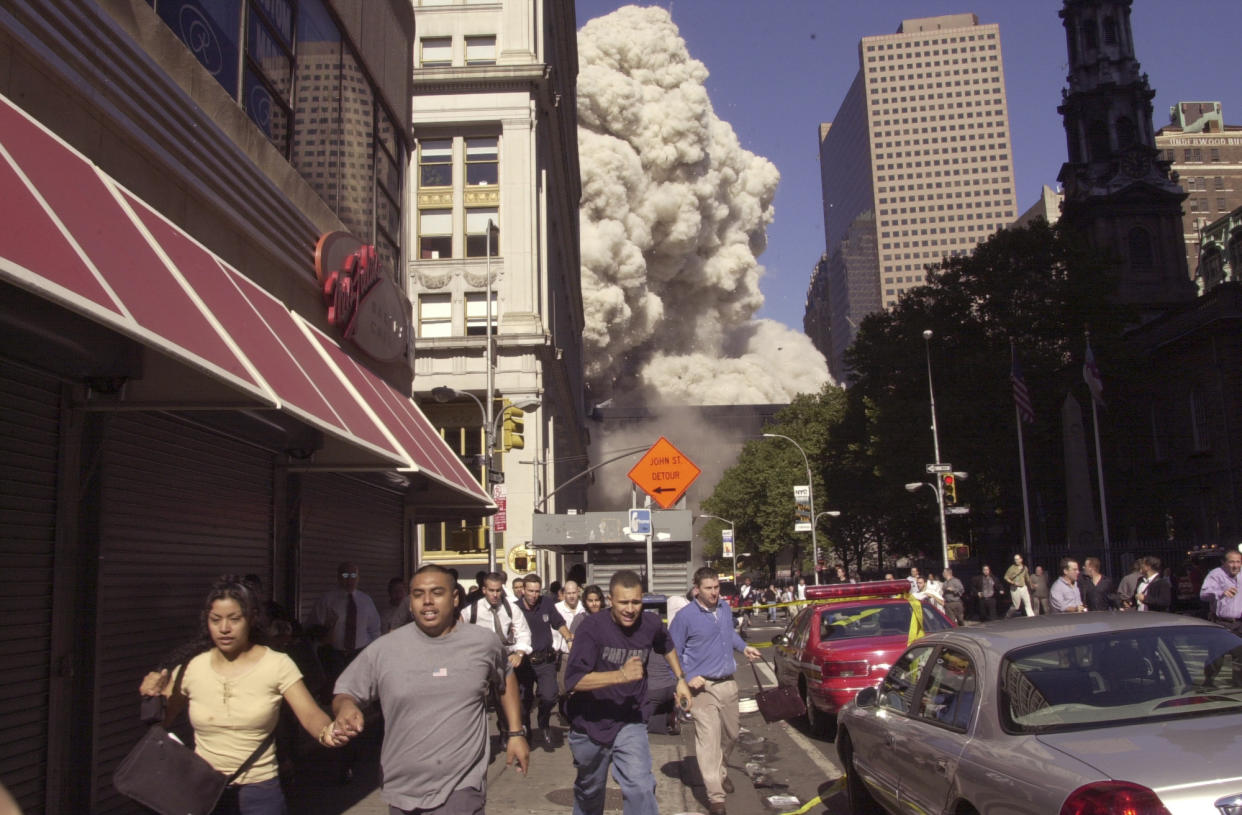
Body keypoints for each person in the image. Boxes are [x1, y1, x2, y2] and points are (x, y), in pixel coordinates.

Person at [329, 565, 529, 814]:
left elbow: (506, 677)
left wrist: (515, 733)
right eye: (417, 594)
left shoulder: (483, 642)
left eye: (437, 592)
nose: (427, 602)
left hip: (461, 786)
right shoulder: (385, 649)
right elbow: (345, 692)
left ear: (455, 598)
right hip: (401, 787)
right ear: (409, 601)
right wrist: (346, 706)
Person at [139, 577, 345, 814]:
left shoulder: (276, 664)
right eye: (216, 620)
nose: (224, 628)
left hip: (260, 792)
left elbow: (309, 715)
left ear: (252, 619)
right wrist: (152, 694)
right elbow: (161, 723)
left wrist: (329, 733)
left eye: (234, 619)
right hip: (204, 792)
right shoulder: (192, 667)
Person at [563, 570, 691, 815]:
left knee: (641, 788)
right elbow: (573, 681)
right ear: (610, 600)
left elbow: (667, 645)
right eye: (623, 602)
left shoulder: (650, 623)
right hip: (590, 723)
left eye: (636, 602)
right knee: (590, 792)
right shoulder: (592, 627)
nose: (630, 609)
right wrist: (620, 675)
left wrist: (680, 679)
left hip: (629, 719)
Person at [668, 568, 762, 815]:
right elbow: (671, 652)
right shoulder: (685, 617)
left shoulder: (724, 608)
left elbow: (728, 633)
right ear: (696, 589)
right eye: (708, 588)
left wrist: (744, 647)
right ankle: (715, 797)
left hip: (727, 683)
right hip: (702, 689)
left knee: (731, 734)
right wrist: (686, 679)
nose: (714, 593)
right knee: (708, 740)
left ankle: (721, 773)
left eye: (717, 587)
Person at [517, 573, 572, 746]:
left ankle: (543, 720)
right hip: (524, 663)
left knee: (550, 696)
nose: (534, 595)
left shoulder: (546, 603)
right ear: (523, 591)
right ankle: (525, 729)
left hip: (545, 661)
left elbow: (559, 623)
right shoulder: (514, 608)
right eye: (530, 591)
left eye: (536, 591)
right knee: (523, 702)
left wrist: (569, 639)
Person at [312, 562, 381, 686]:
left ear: (358, 578)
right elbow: (315, 628)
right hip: (333, 655)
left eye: (353, 575)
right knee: (335, 688)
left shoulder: (365, 601)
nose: (349, 579)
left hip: (359, 654)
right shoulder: (327, 600)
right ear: (338, 577)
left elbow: (374, 629)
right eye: (345, 575)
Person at [1200, 550, 1242, 634]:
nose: (1235, 565)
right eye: (1231, 562)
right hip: (1224, 623)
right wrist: (1220, 593)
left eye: (1238, 562)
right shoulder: (1215, 574)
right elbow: (1203, 595)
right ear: (1223, 562)